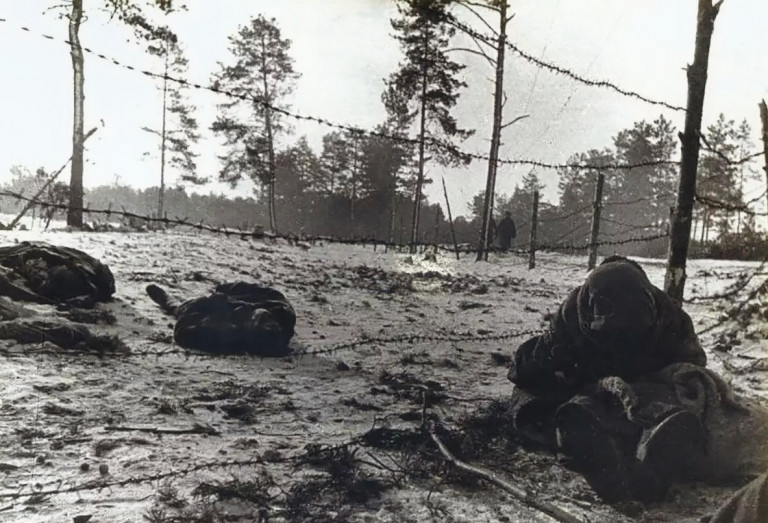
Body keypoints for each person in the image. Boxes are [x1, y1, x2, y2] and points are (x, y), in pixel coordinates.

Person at [507, 256, 744, 502]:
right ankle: (580, 435)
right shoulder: (569, 320)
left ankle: (654, 442)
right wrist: (555, 363)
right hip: (587, 390)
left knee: (678, 396)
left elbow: (691, 367)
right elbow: (525, 371)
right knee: (534, 398)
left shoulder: (672, 320)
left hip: (644, 396)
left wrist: (655, 382)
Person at [146, 281, 296, 356]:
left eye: (263, 322)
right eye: (270, 319)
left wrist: (214, 302)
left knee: (179, 308)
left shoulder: (228, 334)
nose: (272, 322)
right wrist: (228, 289)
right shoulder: (282, 313)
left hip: (210, 310)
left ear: (248, 328)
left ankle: (169, 302)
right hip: (243, 298)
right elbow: (274, 294)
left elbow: (183, 332)